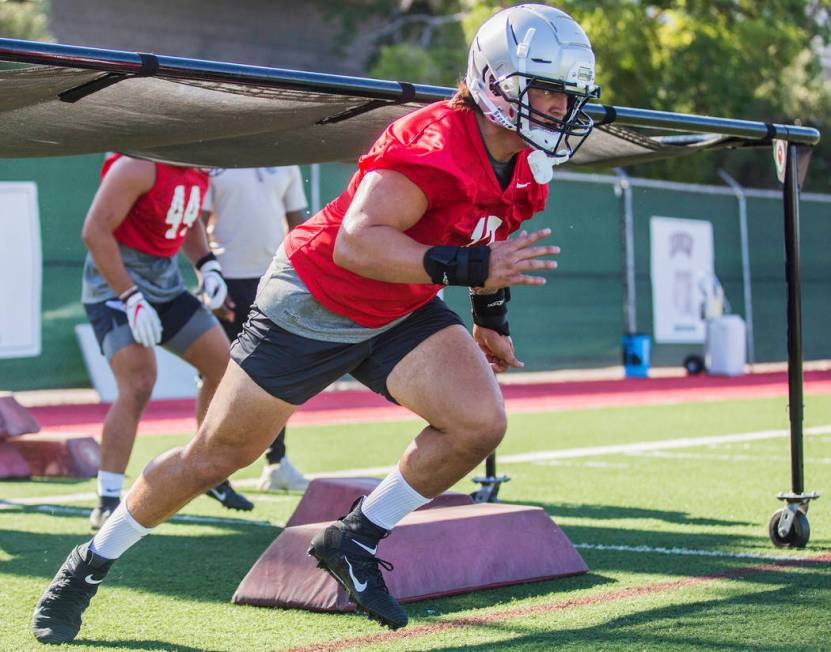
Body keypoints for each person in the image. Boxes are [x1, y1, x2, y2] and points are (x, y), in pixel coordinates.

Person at [32, 4, 599, 642]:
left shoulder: (527, 161)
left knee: (479, 423)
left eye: (567, 95)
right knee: (218, 456)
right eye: (547, 91)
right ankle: (90, 563)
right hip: (315, 299)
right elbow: (358, 244)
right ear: (495, 82)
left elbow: (491, 233)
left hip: (400, 304)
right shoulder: (434, 143)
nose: (560, 109)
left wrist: (489, 314)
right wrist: (470, 266)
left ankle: (355, 538)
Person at [76, 154, 254, 532]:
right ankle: (108, 498)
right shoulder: (139, 164)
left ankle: (208, 470)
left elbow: (186, 220)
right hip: (112, 288)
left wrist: (206, 264)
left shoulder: (197, 167)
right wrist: (129, 297)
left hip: (164, 286)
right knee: (138, 384)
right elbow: (94, 231)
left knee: (225, 367)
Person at [201, 166, 310, 491]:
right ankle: (204, 463)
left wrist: (303, 275)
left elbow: (298, 223)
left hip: (274, 279)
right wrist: (207, 278)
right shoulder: (213, 159)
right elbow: (198, 220)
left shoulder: (287, 161)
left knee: (278, 374)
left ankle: (276, 462)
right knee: (220, 374)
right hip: (226, 279)